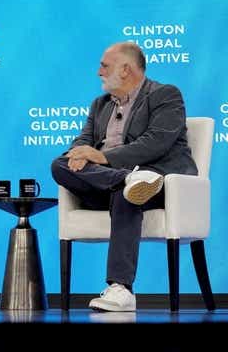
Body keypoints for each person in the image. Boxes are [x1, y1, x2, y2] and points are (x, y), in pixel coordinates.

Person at [51, 42, 197, 312]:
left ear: (126, 70)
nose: (98, 72)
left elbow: (156, 143)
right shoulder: (100, 104)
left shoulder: (165, 95)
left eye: (104, 66)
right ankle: (125, 179)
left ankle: (121, 289)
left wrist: (102, 157)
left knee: (129, 193)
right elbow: (83, 140)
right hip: (112, 182)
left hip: (159, 184)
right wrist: (79, 153)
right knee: (60, 164)